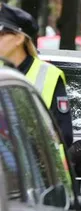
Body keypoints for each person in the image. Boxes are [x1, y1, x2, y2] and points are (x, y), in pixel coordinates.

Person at [0, 3, 73, 147]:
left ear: (19, 38)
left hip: (38, 167)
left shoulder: (49, 75)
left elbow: (64, 135)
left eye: (1, 33)